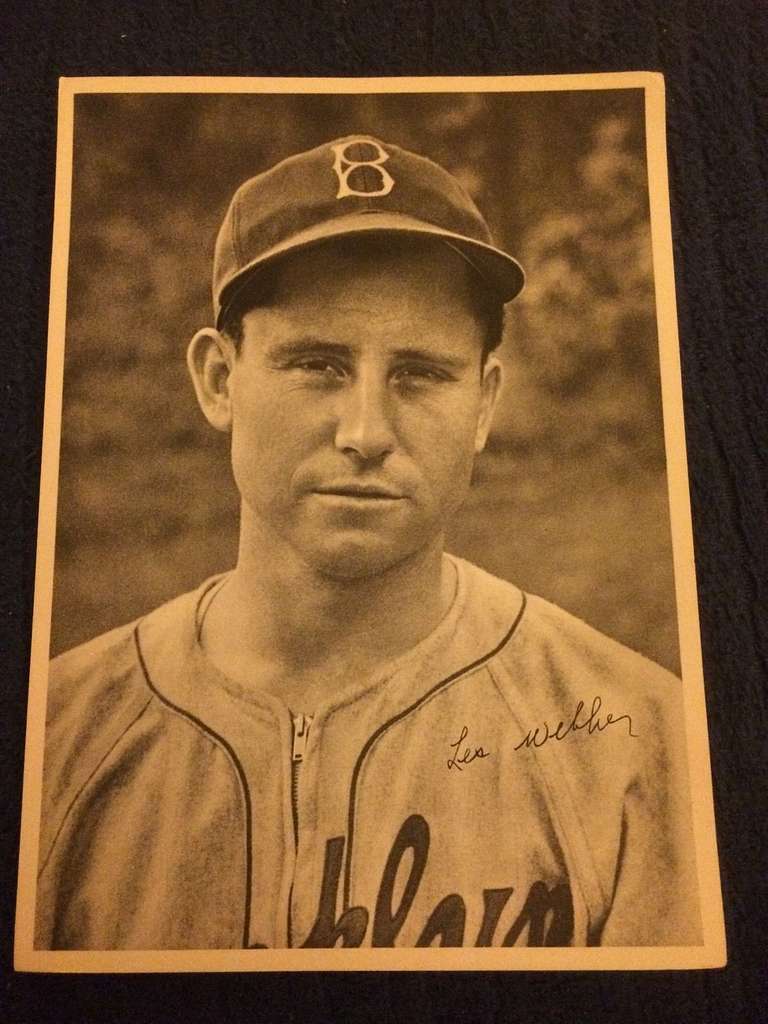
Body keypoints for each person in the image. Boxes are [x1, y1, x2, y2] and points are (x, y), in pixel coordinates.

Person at [35, 136, 701, 950]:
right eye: (316, 365)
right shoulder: (55, 739)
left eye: (420, 374)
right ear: (218, 381)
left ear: (485, 404)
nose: (366, 433)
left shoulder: (637, 741)